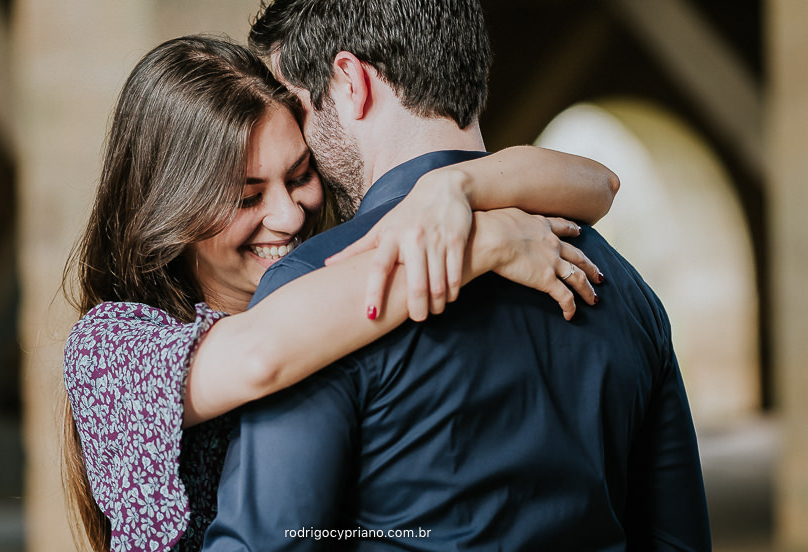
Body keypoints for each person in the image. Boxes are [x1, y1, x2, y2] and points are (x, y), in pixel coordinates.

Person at [201, 0, 711, 550]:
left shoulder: (317, 286)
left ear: (351, 82)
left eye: (299, 107)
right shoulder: (625, 288)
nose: (303, 143)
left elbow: (270, 541)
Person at [62, 35, 619, 552]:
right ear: (171, 207)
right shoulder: (106, 348)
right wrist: (480, 243)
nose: (288, 215)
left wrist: (453, 188)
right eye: (247, 197)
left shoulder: (339, 279)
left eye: (299, 176)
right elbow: (260, 353)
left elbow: (600, 184)